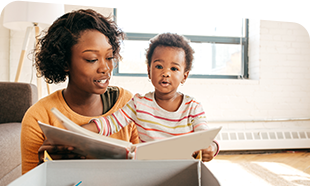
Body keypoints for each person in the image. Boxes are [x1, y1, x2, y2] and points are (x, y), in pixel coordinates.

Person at [20, 9, 139, 174]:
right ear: (64, 62)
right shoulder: (39, 117)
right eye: (92, 59)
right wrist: (44, 168)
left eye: (110, 57)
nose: (105, 68)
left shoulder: (127, 103)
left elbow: (145, 166)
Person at [83, 33, 219, 162]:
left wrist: (211, 147)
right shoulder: (138, 104)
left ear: (184, 76)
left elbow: (205, 137)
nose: (165, 73)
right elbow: (110, 123)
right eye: (159, 66)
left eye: (174, 69)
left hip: (184, 168)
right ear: (149, 71)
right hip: (149, 169)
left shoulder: (193, 107)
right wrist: (78, 131)